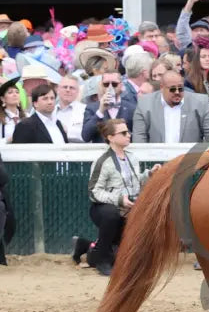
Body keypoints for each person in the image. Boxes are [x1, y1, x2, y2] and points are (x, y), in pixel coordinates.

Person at [76, 118, 160, 276]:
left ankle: (87, 247)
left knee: (123, 253)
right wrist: (119, 199)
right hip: (105, 209)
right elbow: (94, 192)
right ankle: (103, 260)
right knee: (111, 216)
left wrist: (149, 174)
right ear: (110, 137)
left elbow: (135, 183)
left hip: (128, 208)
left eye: (128, 132)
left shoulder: (132, 158)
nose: (129, 135)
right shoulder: (103, 161)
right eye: (124, 133)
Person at [132, 70, 209, 143]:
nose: (177, 92)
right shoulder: (145, 104)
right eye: (172, 89)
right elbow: (139, 139)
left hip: (191, 160)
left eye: (181, 88)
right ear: (162, 88)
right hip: (156, 161)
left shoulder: (201, 102)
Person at [82, 73, 137, 143]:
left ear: (121, 86)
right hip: (100, 152)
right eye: (106, 84)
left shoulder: (131, 108)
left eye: (114, 84)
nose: (110, 87)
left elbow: (136, 136)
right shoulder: (92, 108)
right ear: (101, 86)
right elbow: (86, 137)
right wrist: (100, 111)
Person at [53, 75, 86, 142]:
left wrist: (67, 131)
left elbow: (87, 135)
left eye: (72, 88)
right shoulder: (50, 111)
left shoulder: (85, 110)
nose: (68, 90)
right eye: (65, 87)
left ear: (78, 91)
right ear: (58, 90)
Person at [1, 77, 25, 143]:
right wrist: (8, 140)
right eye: (10, 92)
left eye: (17, 92)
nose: (15, 95)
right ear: (3, 99)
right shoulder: (1, 120)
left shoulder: (27, 117)